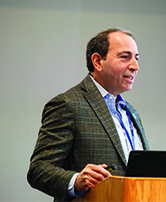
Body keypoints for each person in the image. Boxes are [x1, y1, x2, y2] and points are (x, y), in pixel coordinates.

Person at [27, 28, 149, 202]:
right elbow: (38, 170)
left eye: (136, 58)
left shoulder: (131, 113)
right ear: (98, 61)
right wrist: (75, 181)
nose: (135, 66)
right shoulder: (68, 104)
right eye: (124, 57)